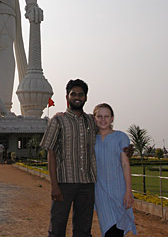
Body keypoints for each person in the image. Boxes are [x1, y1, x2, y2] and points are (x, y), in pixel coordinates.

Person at [40, 79, 97, 237]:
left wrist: (125, 148)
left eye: (81, 94)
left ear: (85, 97)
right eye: (73, 94)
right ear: (67, 97)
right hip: (64, 183)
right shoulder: (57, 120)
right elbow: (51, 153)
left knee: (83, 228)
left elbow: (107, 138)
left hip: (87, 183)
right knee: (58, 226)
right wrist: (54, 185)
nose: (77, 97)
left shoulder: (92, 122)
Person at [93, 103, 137, 237]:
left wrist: (128, 192)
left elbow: (125, 165)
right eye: (99, 116)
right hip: (100, 192)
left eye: (106, 116)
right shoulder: (91, 139)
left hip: (119, 191)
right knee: (107, 228)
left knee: (117, 228)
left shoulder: (121, 137)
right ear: (94, 118)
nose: (103, 119)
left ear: (112, 118)